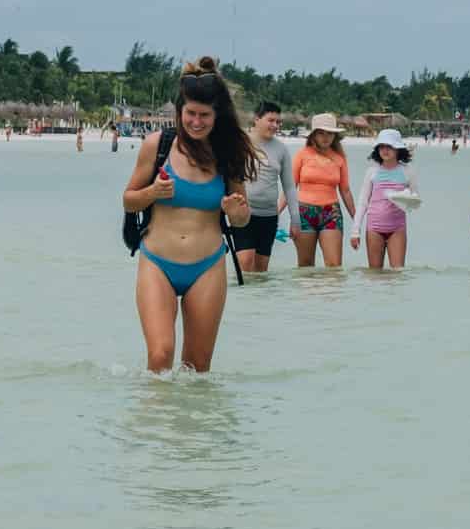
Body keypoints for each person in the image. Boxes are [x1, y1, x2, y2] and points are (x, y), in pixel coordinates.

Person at [122, 57, 257, 373]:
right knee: (160, 355)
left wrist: (236, 211)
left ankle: (191, 410)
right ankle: (153, 408)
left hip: (207, 266)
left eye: (204, 115)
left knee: (197, 367)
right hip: (157, 262)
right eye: (190, 114)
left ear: (217, 115)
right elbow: (129, 201)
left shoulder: (228, 154)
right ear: (180, 111)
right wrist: (152, 193)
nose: (196, 122)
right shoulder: (157, 145)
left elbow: (242, 219)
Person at [233, 101, 294, 276]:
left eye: (278, 122)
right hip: (243, 213)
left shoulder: (281, 149)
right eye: (271, 120)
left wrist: (295, 220)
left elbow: (289, 187)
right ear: (257, 119)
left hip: (269, 216)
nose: (275, 125)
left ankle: (259, 296)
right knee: (245, 263)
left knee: (261, 271)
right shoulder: (240, 143)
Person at [291, 114, 356, 268]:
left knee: (334, 266)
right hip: (304, 213)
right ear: (314, 135)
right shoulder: (302, 155)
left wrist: (356, 219)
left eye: (330, 133)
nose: (326, 137)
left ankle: (331, 287)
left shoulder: (339, 158)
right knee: (306, 266)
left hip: (331, 213)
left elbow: (345, 190)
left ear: (335, 136)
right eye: (321, 133)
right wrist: (276, 213)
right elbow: (290, 188)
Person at [351, 128, 420, 270]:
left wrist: (403, 198)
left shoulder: (407, 171)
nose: (385, 150)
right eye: (381, 146)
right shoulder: (372, 171)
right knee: (375, 274)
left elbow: (415, 200)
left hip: (397, 228)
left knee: (398, 273)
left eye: (389, 146)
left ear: (397, 149)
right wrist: (355, 231)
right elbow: (363, 202)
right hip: (374, 228)